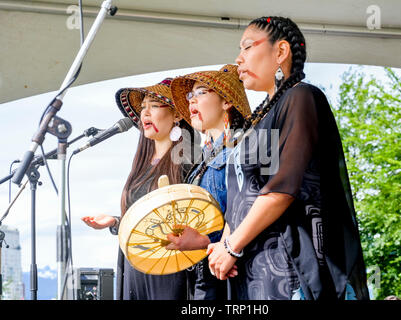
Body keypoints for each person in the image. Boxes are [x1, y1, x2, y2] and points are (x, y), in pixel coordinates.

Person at [207, 16, 370, 300]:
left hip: (288, 266)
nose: (238, 58)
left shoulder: (302, 97)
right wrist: (224, 245)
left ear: (280, 51)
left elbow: (282, 189)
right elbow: (241, 195)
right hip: (253, 268)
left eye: (246, 47)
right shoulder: (258, 119)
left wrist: (232, 246)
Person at [81, 78, 197, 300]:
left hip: (168, 268)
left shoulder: (189, 161)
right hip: (135, 266)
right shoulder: (142, 163)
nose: (145, 113)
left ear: (177, 115)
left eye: (154, 105)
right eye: (143, 107)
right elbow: (144, 218)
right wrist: (115, 221)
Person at [165, 64, 251, 300]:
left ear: (226, 102)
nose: (192, 101)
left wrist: (205, 241)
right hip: (202, 277)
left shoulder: (243, 147)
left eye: (201, 92)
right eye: (190, 96)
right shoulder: (202, 159)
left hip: (233, 277)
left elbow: (246, 209)